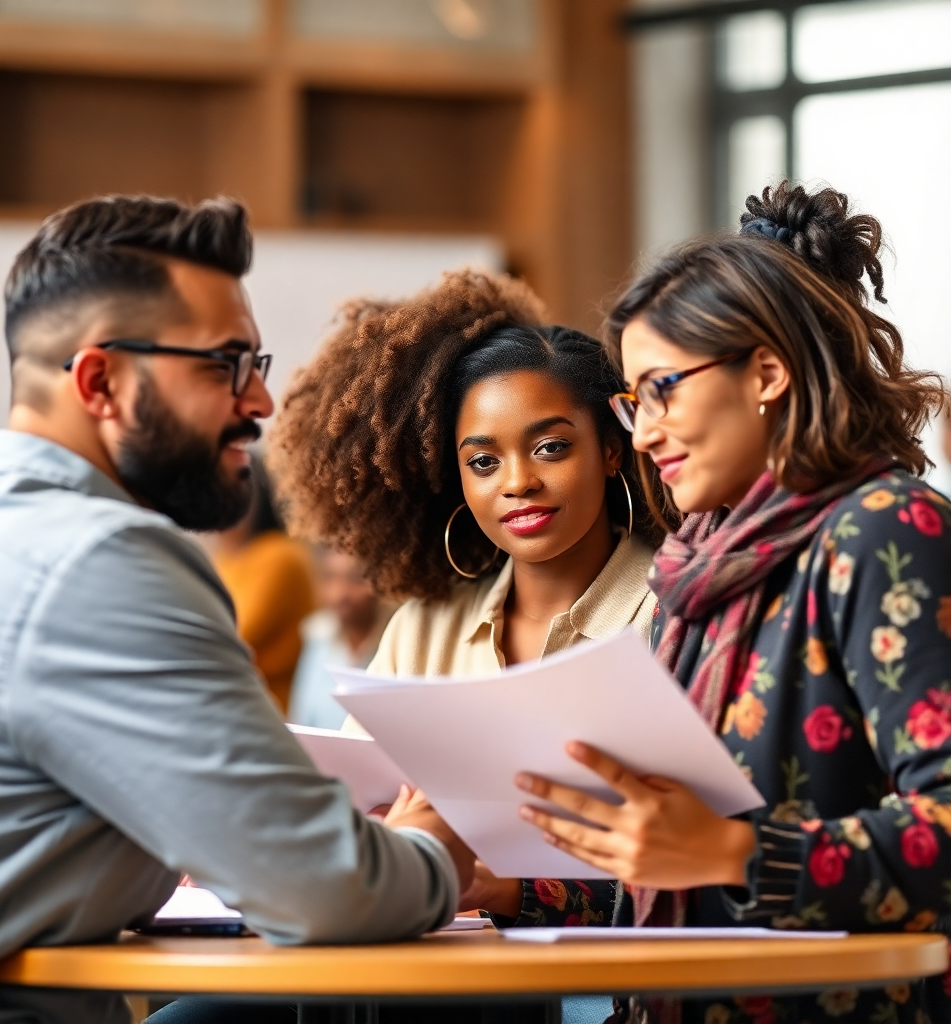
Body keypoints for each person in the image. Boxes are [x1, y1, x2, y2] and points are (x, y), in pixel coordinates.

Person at [0, 195, 473, 1024]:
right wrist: (434, 846)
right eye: (225, 365)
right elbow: (326, 892)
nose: (262, 402)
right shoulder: (100, 560)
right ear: (101, 382)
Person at [514, 182, 951, 1023]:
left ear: (768, 372)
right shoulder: (695, 572)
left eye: (662, 389)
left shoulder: (882, 530)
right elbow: (671, 869)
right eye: (632, 402)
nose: (643, 432)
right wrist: (507, 885)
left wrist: (732, 850)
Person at [270, 269, 662, 931]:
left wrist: (506, 889)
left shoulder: (672, 612)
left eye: (551, 448)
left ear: (611, 451)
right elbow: (356, 812)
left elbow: (698, 858)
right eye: (484, 461)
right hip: (424, 958)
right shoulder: (422, 630)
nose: (518, 482)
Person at [209, 457, 315, 711]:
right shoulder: (224, 559)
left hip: (270, 709)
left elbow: (233, 636)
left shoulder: (279, 555)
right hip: (233, 703)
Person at [288, 548, 392, 731]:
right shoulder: (317, 637)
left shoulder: (395, 642)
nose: (340, 593)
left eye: (355, 579)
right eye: (330, 577)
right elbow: (300, 721)